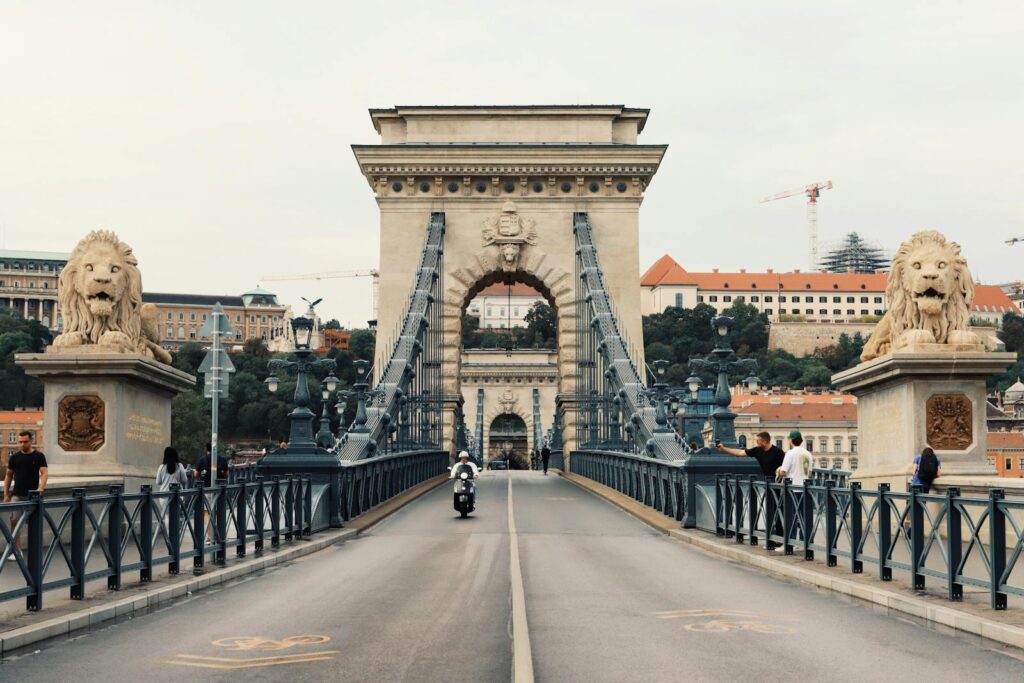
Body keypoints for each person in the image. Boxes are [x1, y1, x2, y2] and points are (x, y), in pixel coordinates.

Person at [3, 431, 48, 556]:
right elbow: (8, 476)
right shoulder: (14, 457)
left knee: (34, 524)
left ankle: (35, 551)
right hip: (17, 495)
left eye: (25, 442)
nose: (22, 444)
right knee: (14, 522)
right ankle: (17, 551)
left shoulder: (39, 456)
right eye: (20, 442)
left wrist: (41, 489)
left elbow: (44, 473)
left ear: (31, 441)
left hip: (33, 496)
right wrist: (6, 494)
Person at [716, 432, 785, 478]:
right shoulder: (757, 450)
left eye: (758, 441)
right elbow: (740, 453)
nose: (756, 442)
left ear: (764, 441)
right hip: (767, 481)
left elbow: (786, 468)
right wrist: (724, 449)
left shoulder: (778, 452)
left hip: (779, 482)